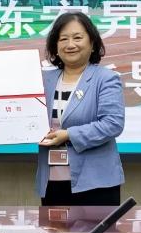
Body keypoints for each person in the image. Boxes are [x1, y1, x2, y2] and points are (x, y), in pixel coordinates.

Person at [37, 12, 125, 206]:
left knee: (98, 228)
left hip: (96, 182)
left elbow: (113, 124)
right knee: (54, 226)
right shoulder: (43, 80)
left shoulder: (106, 79)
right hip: (52, 181)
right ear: (55, 46)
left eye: (77, 38)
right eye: (63, 39)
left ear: (92, 43)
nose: (70, 44)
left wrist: (69, 135)